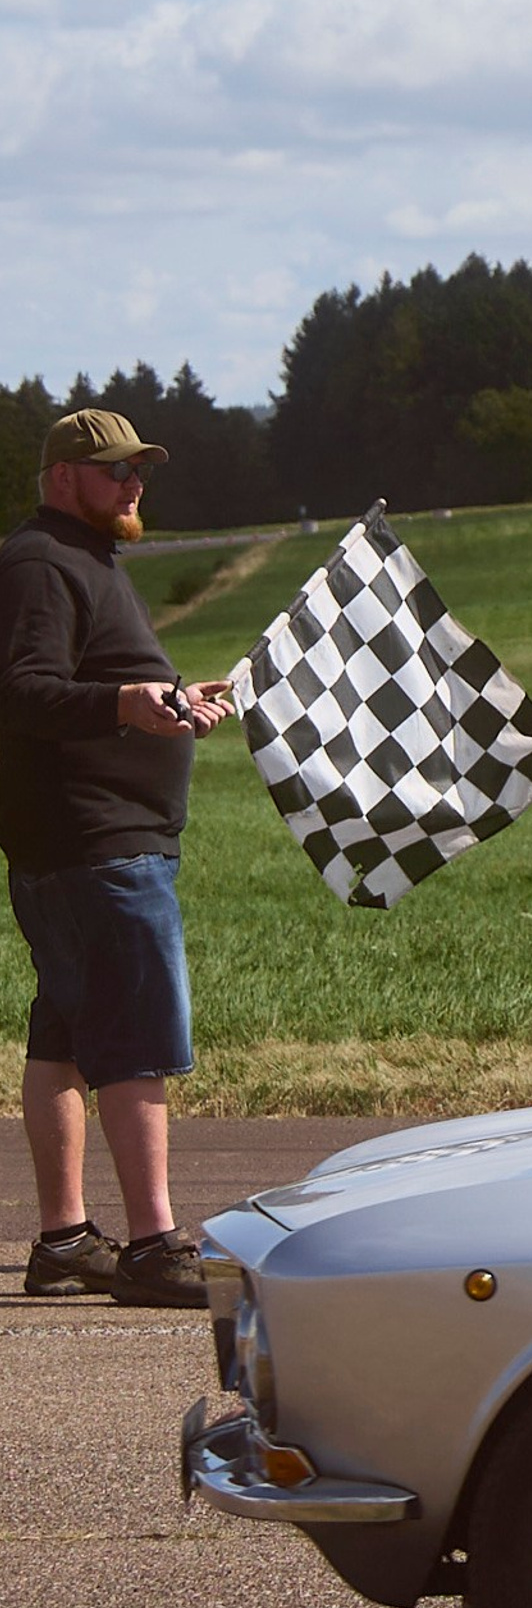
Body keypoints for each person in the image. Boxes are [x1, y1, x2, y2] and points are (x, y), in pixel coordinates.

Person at [0, 409, 233, 1305]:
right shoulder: (39, 563)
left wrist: (170, 696)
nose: (133, 484)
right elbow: (21, 691)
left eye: (139, 470)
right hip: (94, 844)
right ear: (63, 477)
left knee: (63, 1037)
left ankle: (63, 1241)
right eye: (114, 471)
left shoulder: (82, 557)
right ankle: (154, 1245)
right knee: (135, 1040)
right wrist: (127, 707)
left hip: (86, 844)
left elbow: (89, 680)